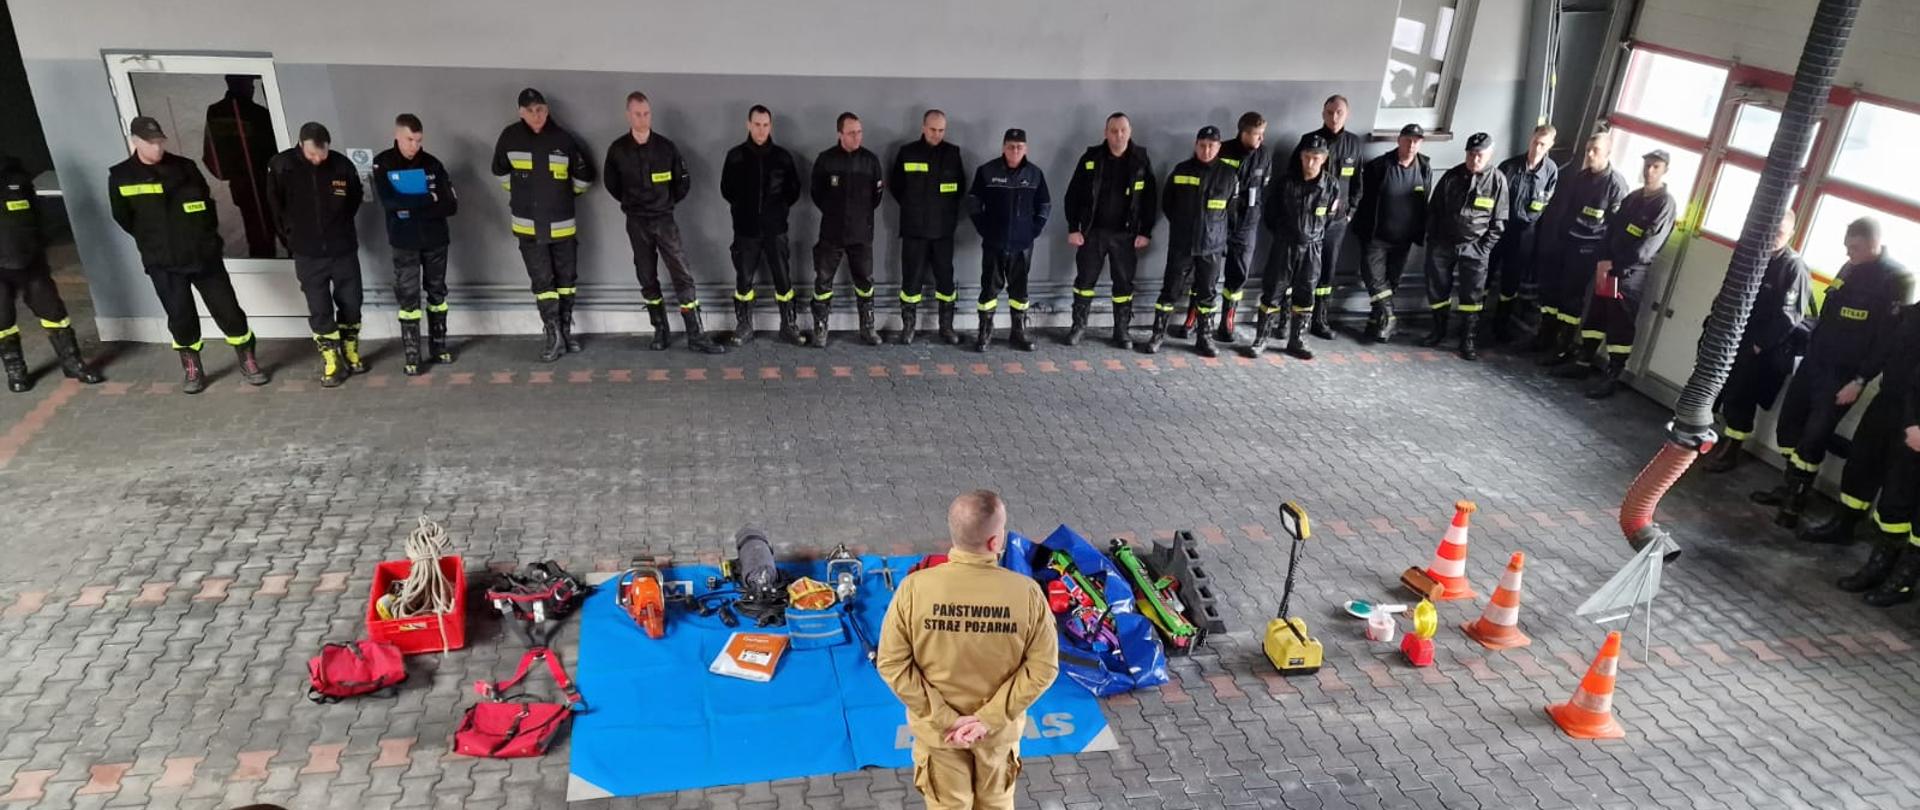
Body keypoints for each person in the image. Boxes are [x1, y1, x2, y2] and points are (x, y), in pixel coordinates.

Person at [877, 490, 1058, 810]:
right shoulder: (1027, 593)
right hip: (997, 738)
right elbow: (1043, 668)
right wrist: (988, 719)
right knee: (997, 803)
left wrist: (947, 719)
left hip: (939, 738)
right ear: (994, 542)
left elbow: (892, 664)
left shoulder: (913, 589)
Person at [1753, 218, 1914, 529]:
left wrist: (1860, 380)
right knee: (1789, 427)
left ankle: (1795, 502)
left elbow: (1886, 341)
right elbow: (1828, 315)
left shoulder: (1896, 279)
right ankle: (1789, 485)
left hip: (1844, 376)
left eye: (1854, 247)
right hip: (1815, 362)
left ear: (1873, 244)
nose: (1847, 253)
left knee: (1814, 437)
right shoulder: (1849, 267)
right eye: (1845, 246)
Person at [110, 116, 268, 394]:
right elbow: (124, 218)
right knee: (181, 318)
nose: (157, 148)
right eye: (151, 143)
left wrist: (208, 241)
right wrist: (154, 243)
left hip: (203, 257)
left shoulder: (184, 168)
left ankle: (248, 358)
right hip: (164, 263)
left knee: (229, 312)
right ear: (135, 142)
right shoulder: (122, 176)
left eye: (160, 142)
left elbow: (206, 206)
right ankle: (192, 367)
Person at [604, 91, 725, 355]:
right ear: (628, 115)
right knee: (646, 276)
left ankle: (695, 334)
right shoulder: (618, 151)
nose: (643, 118)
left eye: (646, 113)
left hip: (664, 219)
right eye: (638, 114)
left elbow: (683, 182)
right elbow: (611, 184)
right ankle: (660, 329)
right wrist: (632, 204)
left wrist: (665, 203)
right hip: (636, 222)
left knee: (682, 273)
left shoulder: (666, 148)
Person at [1554, 149, 1677, 398]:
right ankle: (1583, 363)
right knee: (1596, 316)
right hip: (1608, 266)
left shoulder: (1665, 204)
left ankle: (1613, 376)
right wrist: (1603, 260)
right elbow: (1612, 229)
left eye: (1655, 167)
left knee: (1620, 325)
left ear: (1665, 171)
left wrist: (1618, 266)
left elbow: (1647, 247)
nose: (1649, 170)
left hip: (1631, 274)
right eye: (1647, 165)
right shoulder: (1633, 197)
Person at [491, 88, 596, 362]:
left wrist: (560, 197)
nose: (536, 115)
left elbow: (584, 178)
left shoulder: (564, 139)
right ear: (521, 112)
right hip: (528, 227)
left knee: (566, 282)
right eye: (529, 111)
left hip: (563, 225)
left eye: (540, 109)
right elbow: (501, 174)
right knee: (542, 283)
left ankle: (565, 330)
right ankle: (553, 335)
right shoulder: (510, 137)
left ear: (547, 110)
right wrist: (524, 198)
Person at [1703, 213, 1812, 473]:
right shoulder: (1754, 255)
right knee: (1724, 390)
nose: (1774, 238)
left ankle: (1732, 451)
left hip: (1756, 348)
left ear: (1791, 234)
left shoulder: (1793, 267)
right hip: (1732, 336)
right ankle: (1715, 438)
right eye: (1771, 231)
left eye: (1781, 234)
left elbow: (1790, 316)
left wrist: (1759, 345)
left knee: (1742, 398)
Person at [1804, 306, 1920, 546]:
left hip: (1915, 416)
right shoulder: (1912, 313)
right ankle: (1843, 525)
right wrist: (1861, 379)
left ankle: (1885, 557)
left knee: (1899, 487)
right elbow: (1885, 350)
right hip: (1887, 400)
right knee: (1861, 462)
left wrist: (1913, 422)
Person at [267, 122, 364, 388]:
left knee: (352, 302)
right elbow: (275, 207)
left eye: (322, 154)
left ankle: (350, 350)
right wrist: (292, 238)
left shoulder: (342, 166)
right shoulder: (282, 166)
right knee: (320, 309)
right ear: (301, 145)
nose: (317, 159)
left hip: (342, 249)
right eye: (312, 155)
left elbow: (354, 199)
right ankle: (331, 360)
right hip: (308, 254)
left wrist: (339, 227)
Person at [0, 154, 104, 392]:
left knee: (54, 312)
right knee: (3, 320)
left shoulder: (16, 177)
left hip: (31, 262)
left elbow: (37, 216)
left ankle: (73, 363)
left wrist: (38, 247)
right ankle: (16, 372)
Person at [371, 113, 459, 376]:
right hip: (404, 242)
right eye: (409, 140)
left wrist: (411, 205)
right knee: (408, 297)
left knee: (437, 294)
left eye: (419, 141)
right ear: (398, 136)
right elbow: (390, 203)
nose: (414, 146)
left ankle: (439, 347)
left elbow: (450, 205)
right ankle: (412, 356)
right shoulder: (383, 164)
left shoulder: (433, 164)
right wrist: (429, 198)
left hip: (435, 240)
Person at [1835, 336, 1920, 606]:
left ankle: (1904, 581)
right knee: (1896, 501)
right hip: (1915, 434)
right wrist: (1912, 424)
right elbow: (1915, 387)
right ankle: (1880, 566)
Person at [1063, 112, 1157, 348]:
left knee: (1124, 285)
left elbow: (1150, 199)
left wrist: (1145, 231)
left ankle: (1122, 331)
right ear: (1105, 133)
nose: (1118, 135)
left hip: (1126, 235)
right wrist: (1074, 228)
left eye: (1123, 130)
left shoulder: (1140, 160)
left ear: (1130, 132)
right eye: (1113, 131)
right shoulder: (1091, 157)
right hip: (1092, 233)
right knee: (1084, 281)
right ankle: (1078, 327)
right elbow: (1072, 195)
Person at [1533, 132, 1629, 361]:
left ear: (1607, 153)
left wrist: (1604, 256)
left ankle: (1562, 346)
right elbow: (1566, 211)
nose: (1590, 154)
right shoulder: (1581, 177)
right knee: (1552, 291)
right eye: (1588, 150)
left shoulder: (1615, 185)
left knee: (1571, 298)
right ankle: (1545, 337)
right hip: (1566, 244)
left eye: (1595, 150)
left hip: (1587, 252)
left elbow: (1614, 227)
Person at [1146, 126, 1238, 357]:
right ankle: (1157, 335)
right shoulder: (1181, 170)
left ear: (1219, 147)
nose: (1206, 150)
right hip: (1182, 245)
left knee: (1207, 295)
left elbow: (1232, 211)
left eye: (1212, 146)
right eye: (1202, 145)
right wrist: (1182, 226)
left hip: (1211, 246)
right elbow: (1168, 204)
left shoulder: (1229, 176)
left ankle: (1204, 338)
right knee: (1169, 291)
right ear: (1196, 145)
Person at [719, 104, 805, 346]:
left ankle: (788, 325)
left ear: (770, 126)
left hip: (775, 230)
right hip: (745, 231)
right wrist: (743, 210)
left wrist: (778, 211)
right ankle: (744, 326)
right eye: (757, 125)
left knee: (783, 280)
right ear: (748, 125)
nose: (761, 130)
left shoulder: (782, 157)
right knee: (744, 279)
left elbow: (793, 190)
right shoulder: (735, 156)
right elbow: (727, 189)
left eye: (765, 125)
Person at [1247, 135, 1338, 359]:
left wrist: (1311, 236)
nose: (1310, 163)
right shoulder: (1285, 183)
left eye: (1316, 158)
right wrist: (1285, 235)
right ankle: (1262, 339)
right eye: (1307, 157)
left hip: (1312, 249)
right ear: (1301, 156)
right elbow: (1270, 214)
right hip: (1284, 246)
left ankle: (1297, 340)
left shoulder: (1330, 186)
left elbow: (1331, 218)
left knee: (1306, 294)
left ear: (1324, 159)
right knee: (1273, 290)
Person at [1420, 132, 1509, 360]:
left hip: (1475, 248)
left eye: (1479, 155)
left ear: (1489, 155)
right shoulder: (1452, 176)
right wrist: (1434, 239)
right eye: (1470, 154)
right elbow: (1434, 210)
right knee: (1438, 288)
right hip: (1443, 245)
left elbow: (1499, 221)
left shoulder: (1497, 180)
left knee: (1472, 295)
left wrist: (1483, 248)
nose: (1474, 159)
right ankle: (1438, 330)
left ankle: (1467, 339)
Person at [966, 128, 1050, 353]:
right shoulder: (987, 171)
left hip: (1023, 245)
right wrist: (984, 228)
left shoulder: (1035, 174)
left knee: (1019, 293)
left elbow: (1044, 205)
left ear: (1026, 148)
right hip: (994, 243)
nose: (1015, 150)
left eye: (1019, 147)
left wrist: (1034, 230)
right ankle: (985, 332)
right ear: (1003, 147)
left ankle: (1018, 332)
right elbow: (973, 201)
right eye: (1011, 146)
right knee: (988, 292)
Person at [1290, 96, 1365, 340]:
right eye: (1330, 112)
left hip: (1336, 222)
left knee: (1327, 269)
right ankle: (1292, 318)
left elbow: (1357, 184)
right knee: (1301, 268)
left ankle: (1319, 318)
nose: (1334, 117)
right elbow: (1292, 178)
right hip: (1309, 220)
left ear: (1347, 114)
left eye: (1339, 113)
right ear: (1323, 113)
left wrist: (1351, 212)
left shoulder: (1353, 144)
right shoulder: (1309, 140)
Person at [890, 110, 968, 345]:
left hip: (943, 231)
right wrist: (915, 208)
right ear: (923, 127)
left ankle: (946, 327)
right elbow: (897, 187)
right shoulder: (907, 152)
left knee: (945, 280)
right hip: (914, 229)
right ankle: (909, 327)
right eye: (933, 129)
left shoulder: (953, 154)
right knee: (911, 280)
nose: (937, 134)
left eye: (941, 130)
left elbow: (959, 188)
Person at [1193, 111, 1271, 343]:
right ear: (1243, 133)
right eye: (1256, 135)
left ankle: (1228, 319)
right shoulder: (1223, 150)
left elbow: (1263, 186)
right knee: (1205, 273)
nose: (1260, 140)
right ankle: (1194, 317)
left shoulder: (1264, 155)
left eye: (1262, 135)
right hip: (1220, 222)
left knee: (1238, 274)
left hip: (1248, 224)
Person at [810, 111, 885, 348]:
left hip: (861, 234)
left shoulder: (871, 161)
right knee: (823, 283)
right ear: (840, 134)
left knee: (865, 282)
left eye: (859, 132)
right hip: (831, 233)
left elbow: (876, 197)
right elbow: (817, 194)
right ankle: (821, 328)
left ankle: (867, 327)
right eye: (851, 133)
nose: (857, 137)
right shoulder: (825, 160)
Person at [1351, 124, 1432, 343]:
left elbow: (1424, 202)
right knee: (1375, 280)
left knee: (1391, 283)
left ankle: (1375, 323)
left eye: (1416, 141)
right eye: (1408, 140)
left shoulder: (1424, 167)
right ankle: (1390, 319)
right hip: (1376, 237)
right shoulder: (1379, 166)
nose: (1411, 145)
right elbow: (1363, 200)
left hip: (1403, 240)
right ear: (1399, 140)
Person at [1486, 125, 1559, 343]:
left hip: (1524, 234)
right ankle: (1471, 323)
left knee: (1511, 282)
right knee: (1485, 276)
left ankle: (1501, 326)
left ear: (1550, 146)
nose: (1538, 148)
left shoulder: (1551, 172)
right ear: (1530, 139)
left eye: (1543, 145)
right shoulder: (1509, 167)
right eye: (1535, 142)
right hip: (1500, 229)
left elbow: (1545, 204)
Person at [200, 75, 279, 259]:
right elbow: (273, 150)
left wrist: (228, 174)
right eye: (250, 84)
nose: (252, 89)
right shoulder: (257, 114)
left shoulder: (216, 112)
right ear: (241, 85)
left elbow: (210, 153)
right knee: (279, 233)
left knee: (258, 237)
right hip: (263, 182)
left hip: (241, 185)